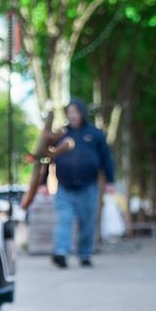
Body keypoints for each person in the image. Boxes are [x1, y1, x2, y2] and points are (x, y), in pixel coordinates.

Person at [49, 98, 114, 268]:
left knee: (87, 222)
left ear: (81, 113)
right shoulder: (61, 135)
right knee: (64, 220)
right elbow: (49, 158)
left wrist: (110, 181)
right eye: (69, 112)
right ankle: (61, 252)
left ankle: (85, 254)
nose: (72, 115)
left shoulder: (95, 134)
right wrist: (42, 183)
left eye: (75, 112)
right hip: (64, 187)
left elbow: (106, 158)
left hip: (88, 186)